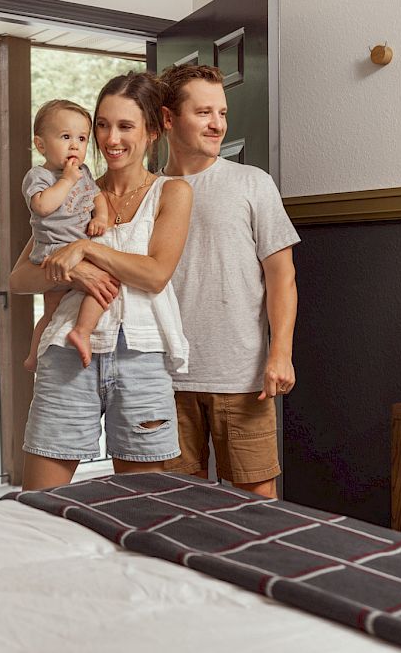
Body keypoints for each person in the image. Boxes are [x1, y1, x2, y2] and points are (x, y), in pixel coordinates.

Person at [9, 72, 193, 491]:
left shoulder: (173, 192)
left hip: (142, 359)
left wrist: (88, 249)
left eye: (126, 126)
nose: (110, 138)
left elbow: (155, 273)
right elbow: (19, 279)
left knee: (140, 507)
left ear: (152, 130)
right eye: (103, 125)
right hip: (67, 357)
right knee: (41, 503)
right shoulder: (69, 192)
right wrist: (76, 272)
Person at [159, 64, 299, 499]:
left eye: (221, 112)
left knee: (260, 507)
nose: (218, 123)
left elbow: (282, 277)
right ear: (168, 119)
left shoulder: (252, 183)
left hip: (243, 379)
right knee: (175, 508)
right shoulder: (147, 191)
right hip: (163, 379)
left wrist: (281, 354)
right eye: (203, 112)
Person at [22, 99, 110, 371]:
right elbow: (42, 206)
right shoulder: (40, 176)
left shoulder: (83, 172)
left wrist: (102, 217)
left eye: (82, 138)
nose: (75, 145)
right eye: (65, 137)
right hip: (53, 251)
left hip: (80, 249)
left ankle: (81, 331)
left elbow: (98, 197)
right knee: (51, 310)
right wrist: (67, 180)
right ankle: (33, 357)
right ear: (41, 145)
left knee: (103, 287)